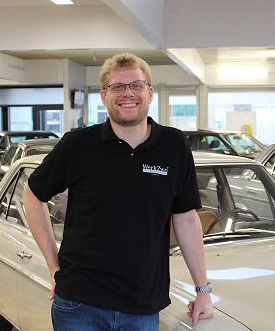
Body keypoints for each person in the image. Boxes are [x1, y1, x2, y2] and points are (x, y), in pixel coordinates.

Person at [23, 53, 213, 330]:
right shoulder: (78, 145)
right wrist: (53, 266)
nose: (128, 94)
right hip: (79, 304)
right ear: (104, 95)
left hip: (142, 306)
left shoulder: (173, 145)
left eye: (136, 85)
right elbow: (32, 194)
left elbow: (186, 218)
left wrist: (203, 289)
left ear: (150, 92)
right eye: (118, 87)